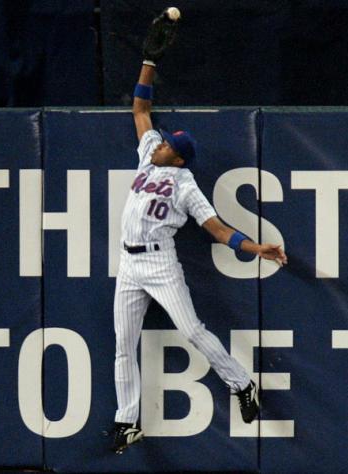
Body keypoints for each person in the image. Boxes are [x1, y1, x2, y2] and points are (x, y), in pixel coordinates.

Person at [111, 9, 288, 454]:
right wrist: (150, 60)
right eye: (165, 139)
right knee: (122, 346)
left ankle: (241, 383)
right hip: (128, 263)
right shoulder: (149, 152)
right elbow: (141, 107)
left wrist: (255, 248)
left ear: (180, 158)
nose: (162, 142)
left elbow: (217, 228)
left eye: (170, 144)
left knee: (191, 331)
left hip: (158, 260)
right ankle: (126, 421)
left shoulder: (185, 184)